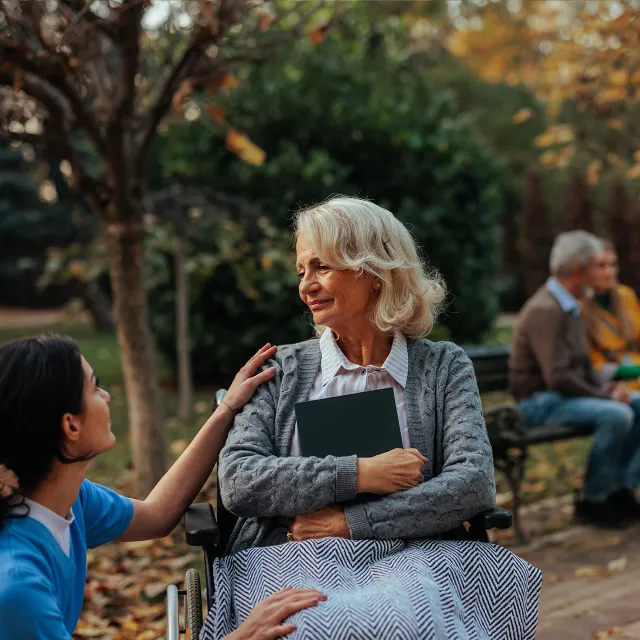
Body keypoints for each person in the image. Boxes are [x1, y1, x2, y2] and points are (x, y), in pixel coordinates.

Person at [206, 197, 541, 640]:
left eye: (322, 266)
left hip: (418, 554)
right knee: (311, 624)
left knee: (415, 619)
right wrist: (359, 473)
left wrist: (350, 523)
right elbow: (240, 482)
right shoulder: (280, 370)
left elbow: (473, 482)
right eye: (301, 270)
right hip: (294, 553)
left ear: (376, 270)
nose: (306, 285)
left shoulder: (442, 366)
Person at [0, 335, 326, 640]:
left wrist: (226, 410)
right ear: (71, 425)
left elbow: (157, 515)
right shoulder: (17, 586)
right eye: (95, 388)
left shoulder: (67, 501)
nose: (107, 396)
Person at [509, 231, 640, 528]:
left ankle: (621, 489)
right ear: (580, 270)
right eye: (597, 265)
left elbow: (581, 367)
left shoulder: (570, 304)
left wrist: (609, 387)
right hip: (538, 403)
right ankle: (594, 500)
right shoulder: (547, 309)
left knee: (636, 404)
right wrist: (606, 397)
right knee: (617, 415)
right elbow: (558, 378)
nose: (603, 271)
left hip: (563, 397)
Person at [582, 239, 640, 391]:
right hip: (612, 384)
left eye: (613, 265)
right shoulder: (580, 307)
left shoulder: (626, 296)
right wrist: (634, 372)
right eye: (601, 266)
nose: (609, 272)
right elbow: (594, 366)